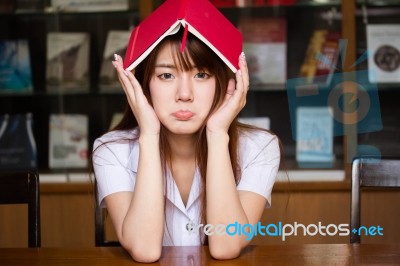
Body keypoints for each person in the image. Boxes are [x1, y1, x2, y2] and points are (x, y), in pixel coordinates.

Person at [92, 27, 280, 262]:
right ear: (141, 85)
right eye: (166, 76)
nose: (184, 94)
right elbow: (145, 250)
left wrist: (218, 133)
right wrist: (149, 135)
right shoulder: (111, 150)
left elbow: (226, 246)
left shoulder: (259, 147)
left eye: (201, 74)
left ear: (226, 83)